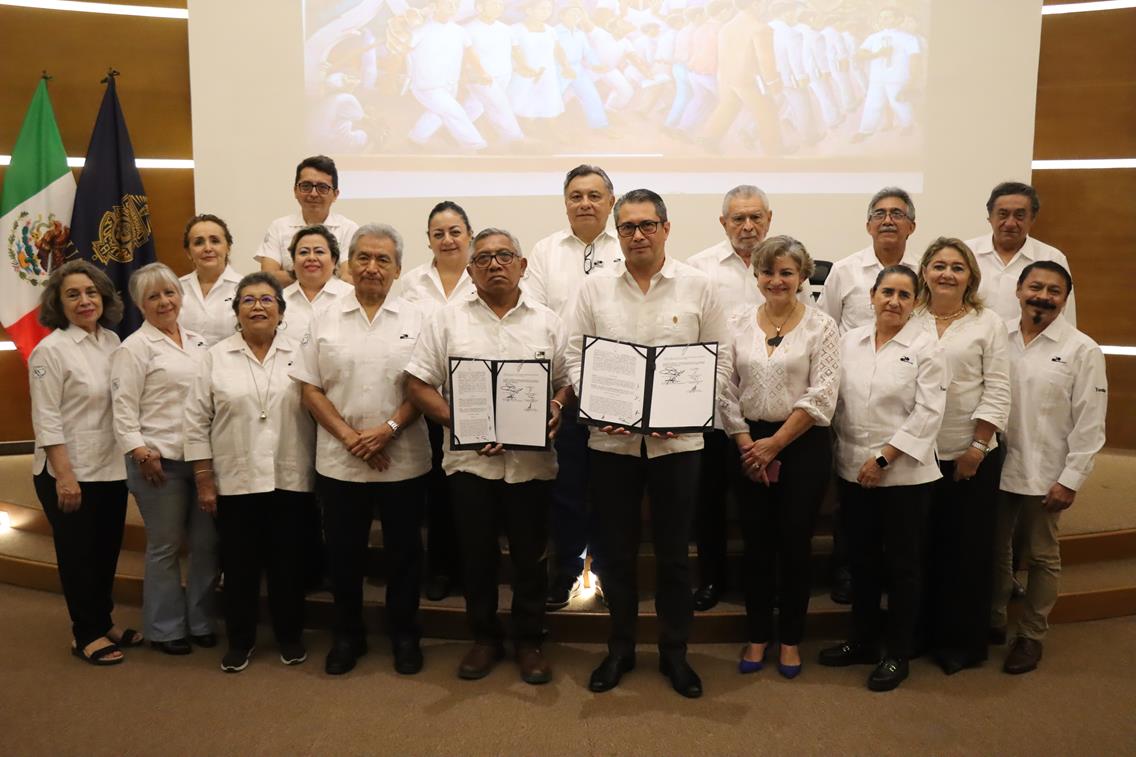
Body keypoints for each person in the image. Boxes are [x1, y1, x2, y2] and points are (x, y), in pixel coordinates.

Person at [566, 188, 730, 699]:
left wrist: (686, 416)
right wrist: (596, 405)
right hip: (610, 444)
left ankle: (674, 653)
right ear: (618, 233)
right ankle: (620, 649)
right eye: (628, 227)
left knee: (675, 556)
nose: (637, 235)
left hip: (678, 446)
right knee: (615, 552)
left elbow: (721, 362)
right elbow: (573, 355)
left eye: (647, 225)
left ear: (666, 228)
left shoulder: (700, 287)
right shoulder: (594, 289)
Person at [406, 228, 574, 685]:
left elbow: (565, 379)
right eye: (483, 258)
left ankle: (529, 640)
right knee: (476, 557)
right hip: (470, 465)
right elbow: (417, 384)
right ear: (470, 269)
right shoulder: (446, 321)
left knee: (530, 557)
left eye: (505, 256)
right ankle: (484, 638)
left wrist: (557, 406)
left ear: (522, 265)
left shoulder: (548, 321)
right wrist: (461, 423)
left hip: (532, 467)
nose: (495, 264)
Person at [291, 224, 432, 676]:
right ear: (349, 265)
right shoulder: (324, 317)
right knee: (344, 555)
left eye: (383, 260)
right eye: (364, 258)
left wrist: (388, 429)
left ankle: (405, 635)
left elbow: (427, 385)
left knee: (404, 555)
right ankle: (347, 635)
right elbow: (309, 388)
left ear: (398, 268)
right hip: (340, 459)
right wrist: (351, 437)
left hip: (403, 457)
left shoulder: (419, 317)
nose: (372, 267)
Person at [819, 265, 947, 692]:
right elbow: (833, 399)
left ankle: (897, 652)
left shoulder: (927, 347)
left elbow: (928, 413)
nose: (894, 301)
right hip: (853, 471)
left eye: (904, 295)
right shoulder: (848, 340)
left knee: (904, 568)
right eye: (886, 292)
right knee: (862, 563)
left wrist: (883, 459)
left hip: (905, 476)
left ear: (915, 303)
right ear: (872, 296)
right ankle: (863, 641)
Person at [685, 185, 810, 611]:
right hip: (714, 409)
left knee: (769, 509)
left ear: (769, 219)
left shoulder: (788, 265)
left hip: (771, 414)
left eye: (755, 217)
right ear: (723, 223)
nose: (747, 225)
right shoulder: (698, 269)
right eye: (738, 218)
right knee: (710, 501)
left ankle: (767, 585)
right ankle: (712, 580)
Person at [184, 272, 316, 673]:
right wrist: (204, 479)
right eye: (248, 300)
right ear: (236, 311)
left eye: (266, 299)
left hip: (290, 477)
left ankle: (290, 636)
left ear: (282, 309)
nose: (257, 306)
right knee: (239, 568)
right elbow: (195, 421)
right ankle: (240, 641)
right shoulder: (215, 356)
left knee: (288, 566)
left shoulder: (302, 353)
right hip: (235, 480)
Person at [721, 236, 840, 679]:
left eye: (786, 272)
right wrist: (745, 441)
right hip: (747, 443)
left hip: (802, 445)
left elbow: (823, 393)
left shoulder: (822, 326)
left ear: (802, 276)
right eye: (768, 272)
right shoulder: (735, 322)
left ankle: (789, 639)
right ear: (756, 276)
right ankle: (757, 636)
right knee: (756, 546)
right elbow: (723, 386)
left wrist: (775, 444)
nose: (777, 280)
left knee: (794, 545)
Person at [992, 261, 1107, 675]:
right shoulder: (996, 336)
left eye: (1054, 290)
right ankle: (993, 619)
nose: (1043, 295)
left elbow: (1091, 423)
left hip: (1047, 472)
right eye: (1036, 287)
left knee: (1042, 556)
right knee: (996, 547)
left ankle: (1031, 635)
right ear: (1019, 290)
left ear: (1065, 298)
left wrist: (1071, 479)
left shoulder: (1082, 350)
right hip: (995, 463)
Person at [29, 260, 136, 665]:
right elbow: (46, 418)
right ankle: (85, 634)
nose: (84, 300)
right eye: (72, 294)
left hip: (109, 467)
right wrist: (66, 476)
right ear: (58, 302)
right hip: (67, 472)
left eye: (91, 292)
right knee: (78, 555)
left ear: (104, 297)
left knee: (106, 550)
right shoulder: (50, 350)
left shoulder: (111, 341)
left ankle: (102, 620)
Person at [525, 164, 622, 610]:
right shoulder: (545, 252)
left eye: (594, 195)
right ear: (565, 203)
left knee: (610, 492)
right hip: (562, 393)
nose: (585, 203)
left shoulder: (630, 243)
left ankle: (607, 575)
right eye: (576, 196)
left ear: (611, 201)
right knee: (565, 490)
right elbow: (537, 321)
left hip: (618, 391)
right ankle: (565, 572)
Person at [818, 186, 920, 603]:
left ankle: (890, 577)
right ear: (867, 224)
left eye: (898, 213)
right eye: (879, 213)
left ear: (912, 225)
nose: (888, 220)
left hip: (903, 398)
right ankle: (847, 568)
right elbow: (825, 331)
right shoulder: (844, 271)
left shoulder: (923, 272)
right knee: (849, 495)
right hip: (850, 401)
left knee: (899, 507)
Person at [913, 238, 1011, 675]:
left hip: (967, 455)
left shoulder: (987, 322)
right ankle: (918, 635)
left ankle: (961, 644)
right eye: (938, 265)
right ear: (925, 272)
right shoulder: (910, 315)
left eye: (957, 266)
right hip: (914, 455)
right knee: (919, 550)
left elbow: (998, 388)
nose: (947, 273)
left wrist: (976, 447)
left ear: (970, 275)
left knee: (965, 552)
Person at [111, 263, 218, 656]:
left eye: (169, 293)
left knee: (207, 545)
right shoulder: (133, 349)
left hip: (202, 461)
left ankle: (202, 620)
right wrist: (139, 451)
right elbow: (122, 410)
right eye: (153, 296)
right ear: (140, 304)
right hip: (158, 464)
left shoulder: (200, 343)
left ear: (181, 295)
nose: (164, 302)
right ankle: (165, 627)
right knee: (166, 546)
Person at [400, 201, 478, 602]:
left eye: (454, 231)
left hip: (480, 405)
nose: (447, 240)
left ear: (468, 234)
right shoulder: (412, 284)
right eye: (438, 233)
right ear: (428, 240)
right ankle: (440, 571)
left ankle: (470, 572)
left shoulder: (485, 276)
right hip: (427, 404)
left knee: (470, 492)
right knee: (436, 492)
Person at [965, 182, 1077, 324]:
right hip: (974, 343)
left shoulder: (1052, 258)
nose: (1010, 223)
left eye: (1019, 215)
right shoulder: (966, 253)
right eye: (1003, 214)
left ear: (1032, 219)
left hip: (1029, 344)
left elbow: (1066, 316)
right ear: (990, 217)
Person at [255, 155, 359, 286]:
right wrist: (322, 272)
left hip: (336, 304)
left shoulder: (348, 228)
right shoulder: (279, 227)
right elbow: (268, 278)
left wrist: (294, 273)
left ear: (335, 194)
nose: (314, 194)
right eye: (306, 186)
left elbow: (347, 278)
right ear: (295, 191)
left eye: (322, 187)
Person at [702, 0, 785, 154]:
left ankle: (708, 139)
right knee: (768, 112)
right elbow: (765, 59)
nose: (765, 6)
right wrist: (773, 82)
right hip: (748, 80)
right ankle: (774, 152)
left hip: (727, 78)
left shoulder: (727, 27)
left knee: (728, 107)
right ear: (755, 4)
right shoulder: (760, 29)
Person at [850, 7, 921, 142]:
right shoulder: (873, 37)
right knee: (872, 104)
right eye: (882, 17)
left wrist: (912, 78)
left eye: (888, 17)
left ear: (899, 19)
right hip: (877, 78)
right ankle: (865, 130)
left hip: (897, 78)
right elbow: (859, 54)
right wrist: (877, 54)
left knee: (899, 103)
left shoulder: (908, 38)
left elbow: (915, 58)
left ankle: (907, 125)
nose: (884, 20)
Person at [179, 214, 243, 347]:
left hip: (231, 365)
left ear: (228, 247)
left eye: (215, 241)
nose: (207, 248)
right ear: (188, 252)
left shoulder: (245, 288)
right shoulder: (175, 289)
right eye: (199, 242)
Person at [281, 225, 354, 338]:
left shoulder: (351, 296)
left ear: (333, 260)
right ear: (293, 261)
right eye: (304, 252)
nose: (311, 258)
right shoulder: (279, 300)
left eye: (319, 252)